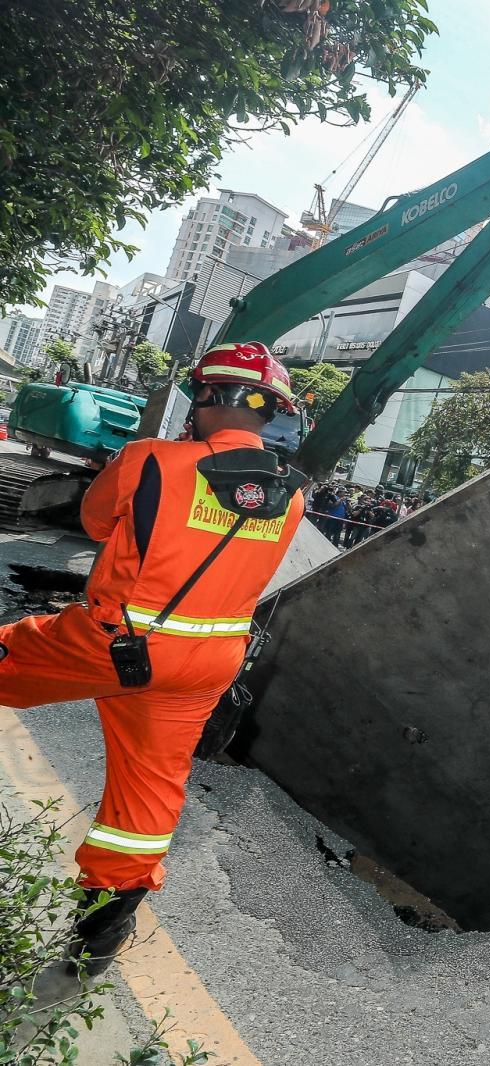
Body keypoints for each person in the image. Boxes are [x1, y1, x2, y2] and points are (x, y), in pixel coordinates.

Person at [1, 341, 305, 997]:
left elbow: (92, 518)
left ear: (207, 397)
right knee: (143, 806)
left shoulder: (151, 461)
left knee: (8, 658)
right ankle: (97, 943)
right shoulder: (292, 499)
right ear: (269, 412)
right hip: (206, 664)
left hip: (113, 640)